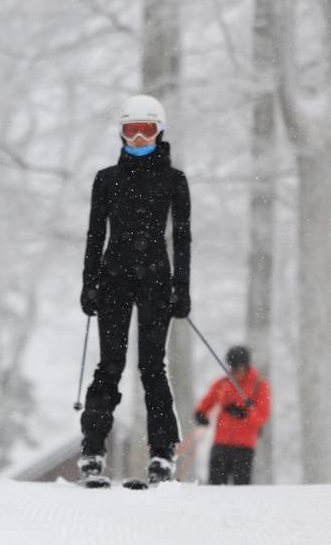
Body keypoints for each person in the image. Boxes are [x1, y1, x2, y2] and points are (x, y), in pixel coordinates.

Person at [77, 95, 191, 484]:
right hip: (114, 279)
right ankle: (92, 451)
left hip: (157, 280)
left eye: (148, 130)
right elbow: (95, 236)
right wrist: (88, 283)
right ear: (121, 133)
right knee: (110, 364)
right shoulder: (106, 179)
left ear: (160, 133)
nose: (140, 138)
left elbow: (182, 237)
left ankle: (162, 454)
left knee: (151, 366)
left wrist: (182, 288)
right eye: (131, 130)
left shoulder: (174, 181)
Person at [194, 346, 270, 485]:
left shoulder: (259, 386)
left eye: (238, 367)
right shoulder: (223, 383)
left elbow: (262, 416)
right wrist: (201, 413)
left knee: (241, 490)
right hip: (220, 445)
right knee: (214, 488)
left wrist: (244, 414)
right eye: (231, 367)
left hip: (244, 448)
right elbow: (208, 401)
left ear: (246, 366)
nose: (234, 371)